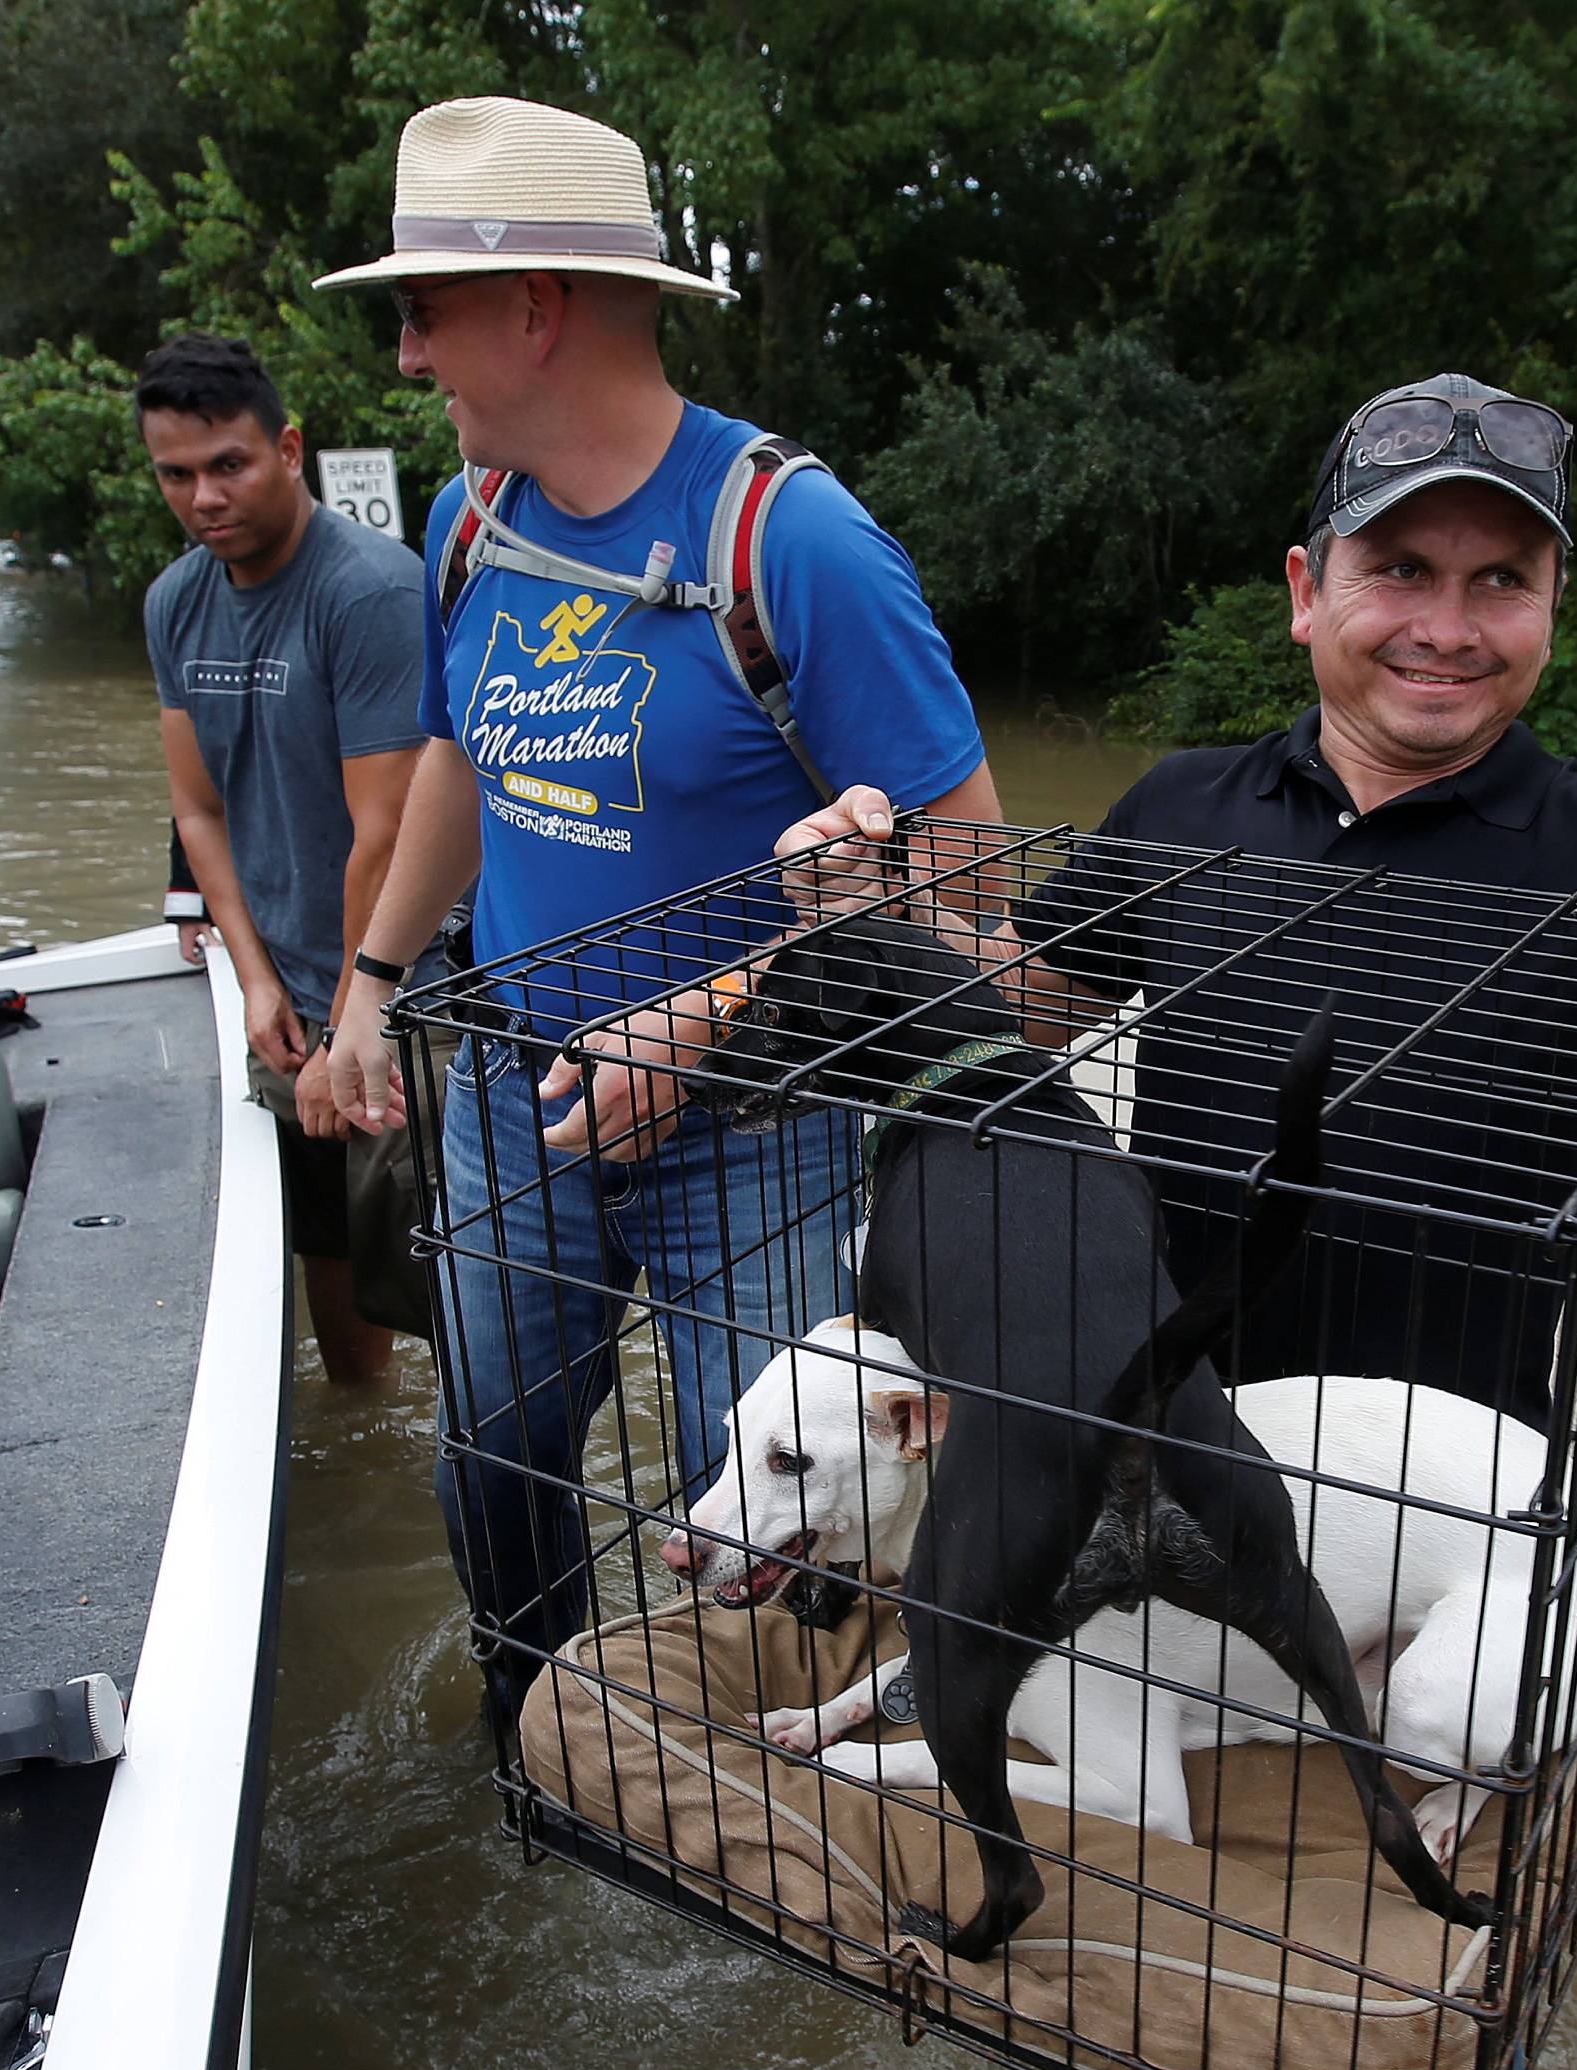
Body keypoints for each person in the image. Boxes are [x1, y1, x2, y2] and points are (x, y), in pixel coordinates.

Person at [766, 372, 1577, 2070]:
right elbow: (1020, 1025)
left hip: (1453, 1557)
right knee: (1102, 2007)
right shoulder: (1183, 807)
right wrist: (867, 913)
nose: (1447, 621)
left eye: (1501, 578)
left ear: (1552, 609)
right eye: (1401, 568)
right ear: (1307, 588)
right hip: (1160, 1522)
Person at [313, 98, 999, 1712]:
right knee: (496, 1464)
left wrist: (715, 1010)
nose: (406, 357)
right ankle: (531, 1751)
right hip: (506, 1092)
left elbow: (968, 874)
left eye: (421, 312)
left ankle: (760, 1837)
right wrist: (369, 980)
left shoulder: (792, 538)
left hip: (760, 1130)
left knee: (769, 1516)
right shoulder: (469, 518)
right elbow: (458, 756)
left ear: (532, 308)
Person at [139, 333, 441, 1384]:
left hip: (410, 994)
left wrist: (347, 1026)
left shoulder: (368, 595)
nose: (204, 496)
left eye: (229, 463)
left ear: (289, 450)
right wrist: (257, 980)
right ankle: (369, 1443)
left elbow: (390, 832)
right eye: (177, 474)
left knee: (433, 1267)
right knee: (328, 1250)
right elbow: (199, 807)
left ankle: (460, 1486)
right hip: (289, 993)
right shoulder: (174, 602)